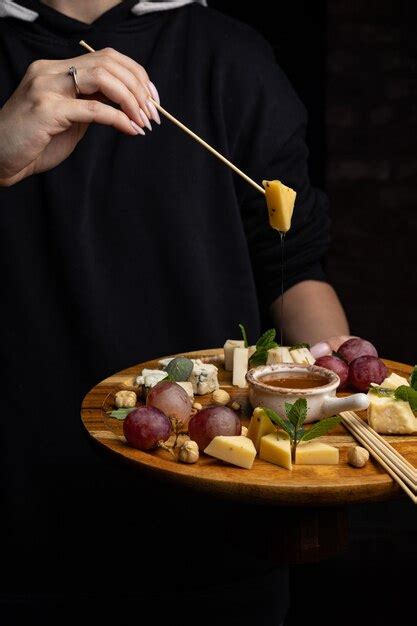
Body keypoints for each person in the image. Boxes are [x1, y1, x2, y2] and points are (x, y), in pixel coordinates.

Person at [0, 1, 350, 623]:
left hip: (219, 548)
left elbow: (292, 267)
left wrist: (343, 394)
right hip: (15, 539)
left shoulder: (231, 53)